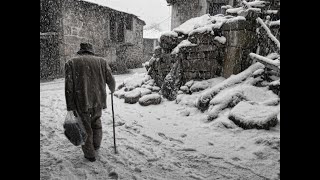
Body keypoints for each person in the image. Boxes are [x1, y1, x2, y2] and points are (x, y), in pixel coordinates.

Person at [65, 42, 116, 162]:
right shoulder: (102, 62)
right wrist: (112, 89)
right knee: (96, 122)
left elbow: (69, 86)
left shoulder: (71, 63)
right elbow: (111, 80)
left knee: (85, 126)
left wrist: (70, 106)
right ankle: (96, 145)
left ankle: (89, 154)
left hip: (81, 100)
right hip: (98, 99)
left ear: (81, 51)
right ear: (91, 51)